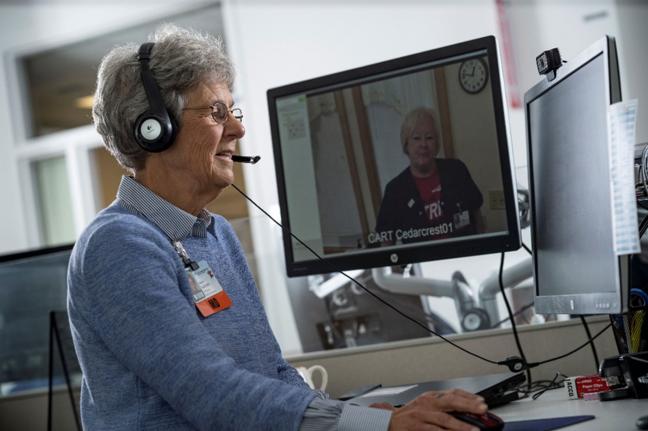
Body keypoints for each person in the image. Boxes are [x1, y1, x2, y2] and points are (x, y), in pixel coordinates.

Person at [67, 25, 488, 430]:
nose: (238, 128)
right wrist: (372, 425)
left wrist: (354, 418)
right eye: (217, 113)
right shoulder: (119, 245)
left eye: (233, 111)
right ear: (155, 129)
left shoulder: (216, 235)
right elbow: (213, 395)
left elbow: (271, 370)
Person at [374, 107, 485, 245]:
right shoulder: (395, 190)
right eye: (416, 138)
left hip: (465, 256)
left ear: (437, 143)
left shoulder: (457, 170)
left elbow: (477, 215)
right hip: (422, 263)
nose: (423, 144)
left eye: (429, 137)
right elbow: (385, 239)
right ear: (406, 144)